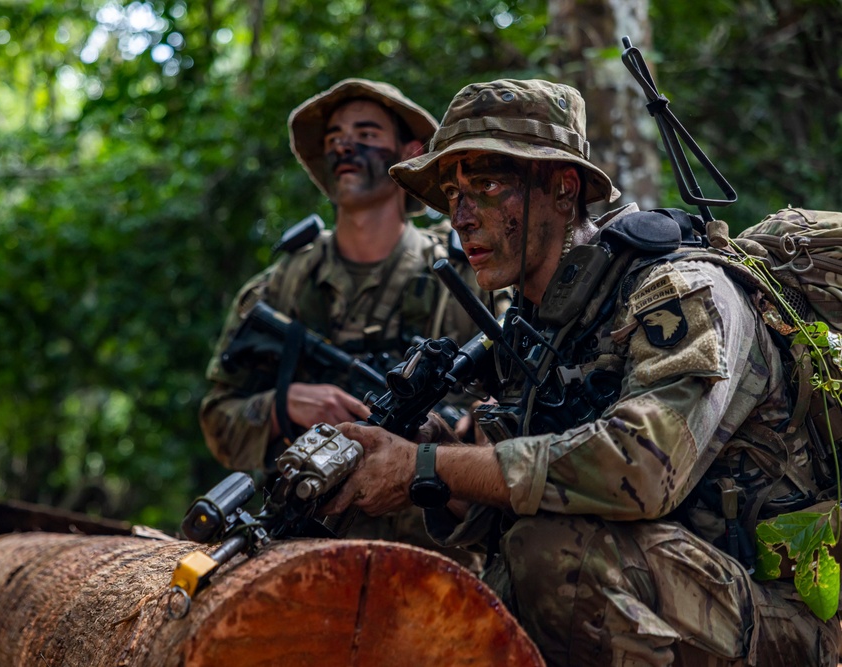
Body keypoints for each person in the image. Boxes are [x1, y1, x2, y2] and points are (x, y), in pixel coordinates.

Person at [322, 78, 841, 666]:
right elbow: (528, 481)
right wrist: (433, 467)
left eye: (486, 185)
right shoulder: (542, 326)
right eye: (450, 191)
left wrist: (428, 465)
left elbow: (642, 468)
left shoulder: (676, 291)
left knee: (552, 552)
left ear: (563, 189)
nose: (461, 216)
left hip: (781, 620)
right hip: (683, 592)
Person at [199, 78, 498, 563]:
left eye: (365, 131)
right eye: (335, 135)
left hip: (432, 556)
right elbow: (217, 417)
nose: (344, 144)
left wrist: (446, 437)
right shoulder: (281, 286)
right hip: (294, 546)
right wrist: (283, 404)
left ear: (410, 151)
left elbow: (515, 416)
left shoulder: (466, 273)